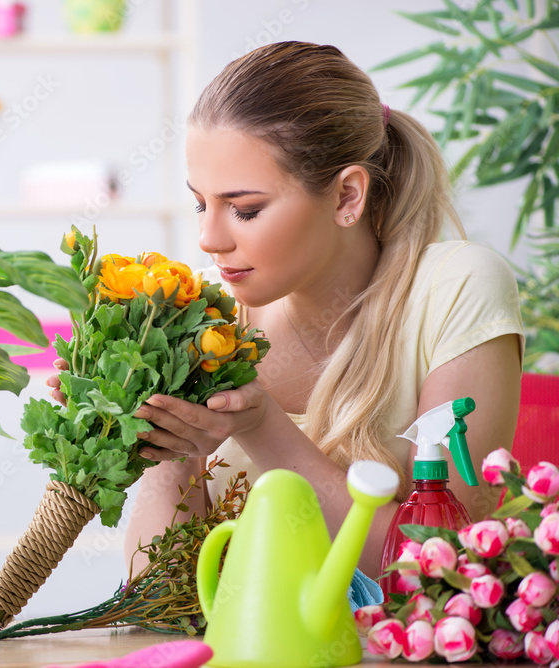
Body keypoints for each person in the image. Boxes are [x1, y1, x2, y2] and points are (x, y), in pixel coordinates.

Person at [48, 41, 524, 579]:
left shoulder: (455, 288)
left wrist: (261, 426)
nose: (207, 239)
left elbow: (439, 573)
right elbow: (154, 594)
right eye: (201, 204)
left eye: (246, 210)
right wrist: (161, 431)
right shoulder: (202, 315)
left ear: (347, 196)